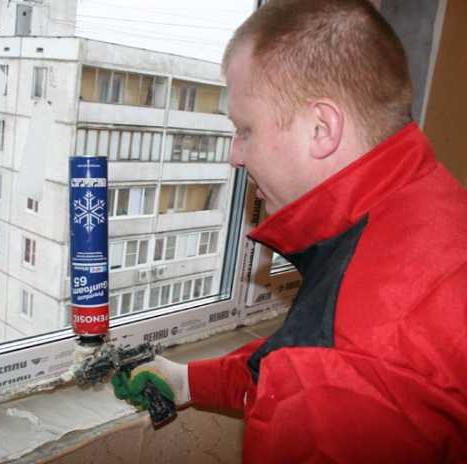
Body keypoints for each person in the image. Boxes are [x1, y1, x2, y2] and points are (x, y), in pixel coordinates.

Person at [113, 0, 467, 462]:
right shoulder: (427, 204)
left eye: (245, 130)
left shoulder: (346, 356)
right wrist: (190, 382)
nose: (235, 156)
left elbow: (324, 361)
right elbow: (294, 357)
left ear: (321, 128)